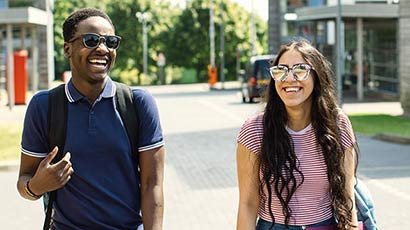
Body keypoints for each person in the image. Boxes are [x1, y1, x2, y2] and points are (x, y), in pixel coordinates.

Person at [17, 8, 165, 229]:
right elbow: (24, 180)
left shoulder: (137, 103)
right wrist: (36, 186)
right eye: (91, 40)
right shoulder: (44, 106)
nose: (102, 49)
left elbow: (152, 184)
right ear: (68, 48)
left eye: (110, 41)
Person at [236, 39, 360, 230]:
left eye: (300, 70)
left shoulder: (338, 124)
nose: (289, 78)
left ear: (316, 76)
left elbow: (347, 196)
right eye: (281, 70)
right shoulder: (254, 130)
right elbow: (247, 204)